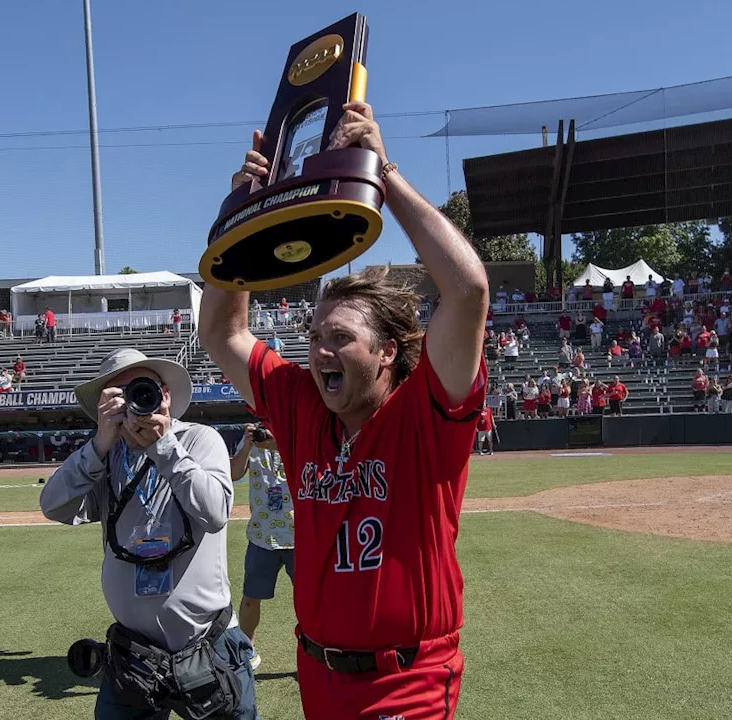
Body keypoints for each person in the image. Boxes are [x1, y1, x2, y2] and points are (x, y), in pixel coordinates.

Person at [199, 101, 487, 719]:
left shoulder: (425, 415)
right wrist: (241, 220)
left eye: (341, 338)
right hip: (319, 674)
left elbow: (467, 290)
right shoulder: (303, 405)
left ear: (386, 353)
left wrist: (383, 173)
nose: (319, 349)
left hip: (406, 678)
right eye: (314, 335)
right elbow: (222, 331)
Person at [39, 348, 256, 719]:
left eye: (144, 389)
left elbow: (216, 513)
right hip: (133, 654)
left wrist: (164, 447)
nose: (136, 401)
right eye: (120, 394)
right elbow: (53, 506)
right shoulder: (105, 457)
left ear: (166, 395)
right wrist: (98, 445)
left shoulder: (199, 440)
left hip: (208, 643)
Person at [229, 422, 293, 671]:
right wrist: (247, 444)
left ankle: (317, 651)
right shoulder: (252, 444)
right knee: (250, 599)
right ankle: (247, 650)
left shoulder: (295, 437)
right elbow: (234, 474)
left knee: (309, 601)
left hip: (298, 536)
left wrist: (278, 441)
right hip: (261, 536)